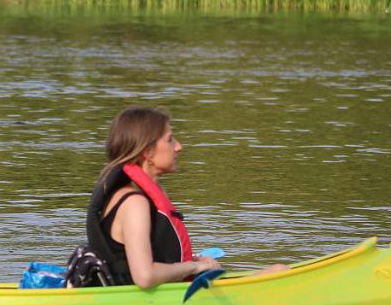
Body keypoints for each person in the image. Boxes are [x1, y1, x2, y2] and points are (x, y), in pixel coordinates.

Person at [86, 106, 287, 288]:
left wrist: (195, 263)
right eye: (170, 139)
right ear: (148, 152)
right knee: (279, 275)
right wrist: (193, 267)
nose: (178, 146)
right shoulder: (134, 203)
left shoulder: (141, 195)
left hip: (165, 295)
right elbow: (145, 277)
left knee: (278, 271)